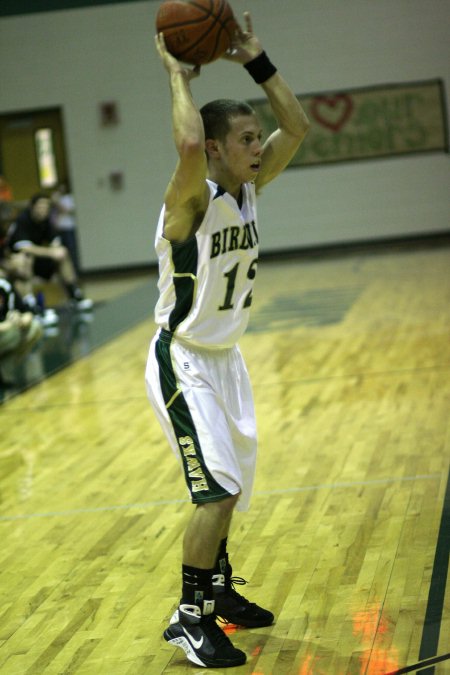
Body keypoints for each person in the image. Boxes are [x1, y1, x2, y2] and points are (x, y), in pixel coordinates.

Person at [145, 13, 309, 669]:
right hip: (183, 360)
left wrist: (257, 60)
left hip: (227, 357)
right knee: (213, 490)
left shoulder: (250, 188)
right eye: (244, 139)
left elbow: (296, 126)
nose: (257, 147)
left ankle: (217, 588)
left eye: (253, 138)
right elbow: (185, 147)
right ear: (215, 147)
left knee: (231, 486)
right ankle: (189, 619)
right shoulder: (192, 199)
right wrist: (176, 79)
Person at [7, 193, 92, 312]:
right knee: (25, 259)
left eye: (46, 207)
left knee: (63, 253)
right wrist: (51, 252)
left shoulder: (46, 221)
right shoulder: (23, 220)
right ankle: (29, 304)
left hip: (39, 260)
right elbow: (25, 248)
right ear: (32, 207)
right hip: (17, 262)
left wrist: (56, 250)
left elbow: (55, 242)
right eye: (40, 207)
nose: (43, 210)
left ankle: (74, 294)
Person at [0, 276, 43, 387]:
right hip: (6, 330)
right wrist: (9, 324)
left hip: (6, 332)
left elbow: (26, 311)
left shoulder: (4, 285)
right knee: (13, 333)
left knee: (34, 328)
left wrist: (22, 320)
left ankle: (5, 373)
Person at [51, 182, 80, 274]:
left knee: (72, 250)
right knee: (61, 251)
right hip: (60, 228)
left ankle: (75, 271)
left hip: (69, 228)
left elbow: (66, 210)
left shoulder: (69, 198)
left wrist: (57, 202)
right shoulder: (56, 199)